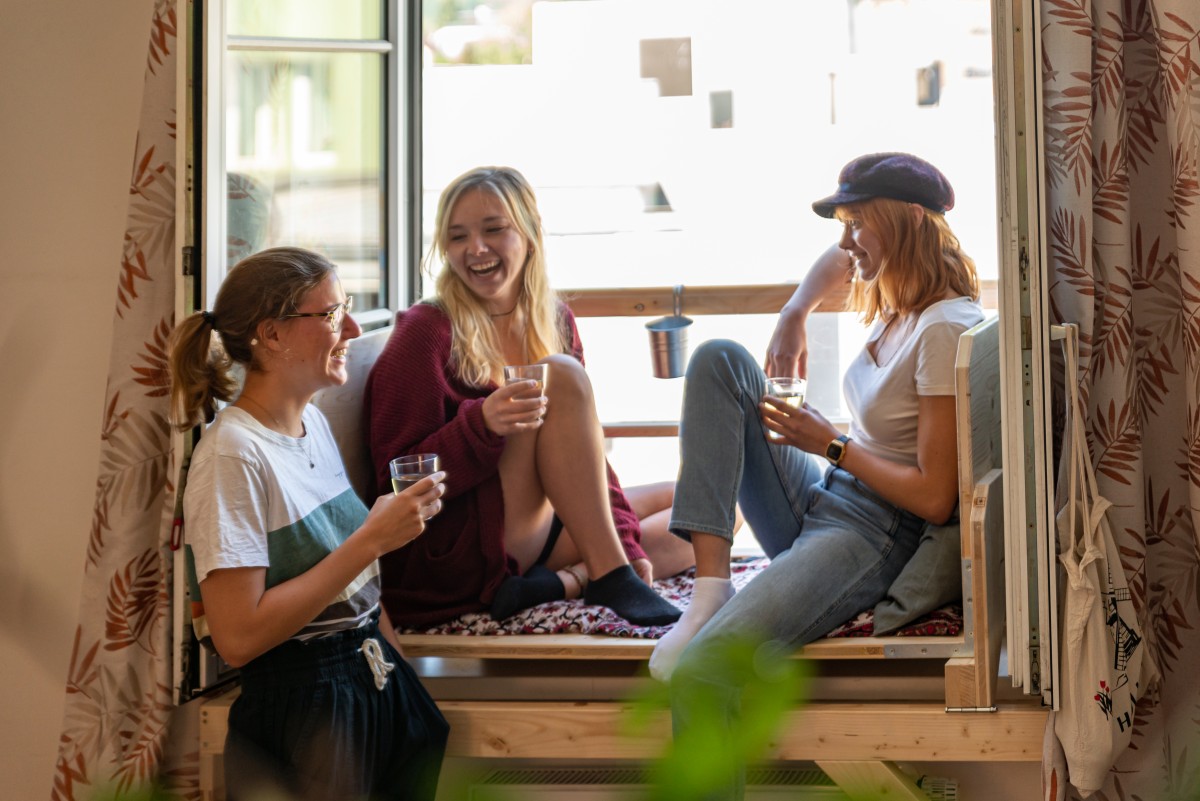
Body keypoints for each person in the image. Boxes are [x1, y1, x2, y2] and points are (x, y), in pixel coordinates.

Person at [651, 153, 984, 799]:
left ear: (909, 221)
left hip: (876, 530)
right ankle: (710, 588)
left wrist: (828, 443)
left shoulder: (944, 328)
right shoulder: (902, 295)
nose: (846, 242)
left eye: (859, 223)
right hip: (829, 496)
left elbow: (936, 496)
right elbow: (836, 262)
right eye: (843, 224)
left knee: (703, 673)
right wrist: (794, 312)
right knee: (721, 360)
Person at [169, 247, 449, 801]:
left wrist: (400, 674)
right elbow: (239, 637)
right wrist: (373, 537)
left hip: (370, 678)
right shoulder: (232, 456)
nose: (349, 326)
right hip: (305, 711)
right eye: (328, 314)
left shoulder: (312, 424)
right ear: (271, 335)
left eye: (345, 307)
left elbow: (353, 586)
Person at [364, 165, 689, 627]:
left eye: (494, 229)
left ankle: (570, 579)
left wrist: (626, 544)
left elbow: (587, 458)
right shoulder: (425, 332)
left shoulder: (554, 320)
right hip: (459, 548)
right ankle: (606, 573)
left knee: (710, 510)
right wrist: (480, 425)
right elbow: (393, 483)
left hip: (536, 528)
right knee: (558, 374)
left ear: (531, 233)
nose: (475, 249)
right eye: (457, 237)